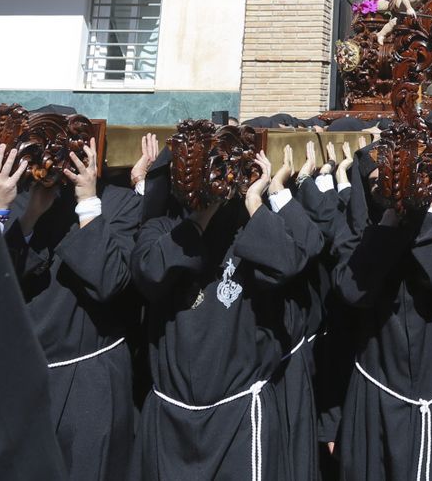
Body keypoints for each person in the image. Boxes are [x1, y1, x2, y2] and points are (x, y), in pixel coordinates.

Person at [133, 150, 325, 480]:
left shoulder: (244, 230)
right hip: (172, 417)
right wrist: (198, 218)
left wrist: (254, 199)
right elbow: (150, 272)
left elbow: (289, 261)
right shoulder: (160, 228)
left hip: (239, 416)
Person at [0, 140, 141, 481]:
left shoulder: (118, 202)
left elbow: (109, 281)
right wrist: (22, 215)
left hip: (90, 379)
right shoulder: (16, 199)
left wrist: (86, 202)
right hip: (23, 381)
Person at [334, 146, 432, 481]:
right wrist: (390, 220)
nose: (392, 187)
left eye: (400, 178)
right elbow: (353, 290)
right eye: (378, 182)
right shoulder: (356, 231)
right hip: (376, 390)